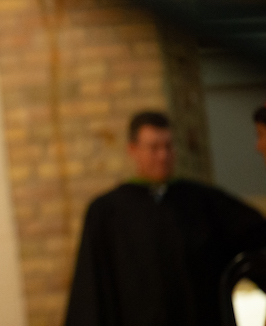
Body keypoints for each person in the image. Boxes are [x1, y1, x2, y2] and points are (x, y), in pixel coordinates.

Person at [64, 110, 266, 326]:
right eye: (154, 148)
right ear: (133, 150)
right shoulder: (107, 212)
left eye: (168, 146)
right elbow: (90, 291)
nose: (163, 156)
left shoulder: (202, 200)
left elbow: (257, 239)